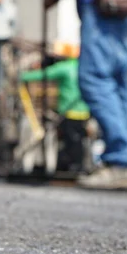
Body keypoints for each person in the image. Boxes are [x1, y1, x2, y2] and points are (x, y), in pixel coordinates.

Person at [46, 0, 127, 191]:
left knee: (95, 82)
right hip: (124, 7)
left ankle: (120, 163)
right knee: (120, 88)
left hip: (100, 7)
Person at [20, 43, 98, 173]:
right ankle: (79, 165)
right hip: (83, 112)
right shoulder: (84, 68)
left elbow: (44, 74)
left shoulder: (65, 68)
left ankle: (71, 167)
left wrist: (23, 76)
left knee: (69, 142)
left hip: (69, 111)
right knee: (79, 141)